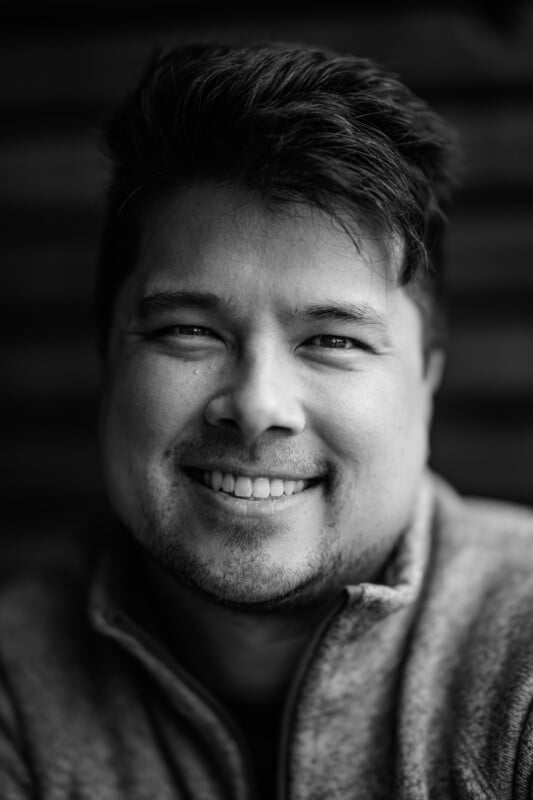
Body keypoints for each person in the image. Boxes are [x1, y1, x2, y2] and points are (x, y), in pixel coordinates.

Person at [1, 41, 533, 800]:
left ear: (427, 380)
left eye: (333, 341)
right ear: (107, 361)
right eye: (188, 330)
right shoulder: (15, 687)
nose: (255, 406)